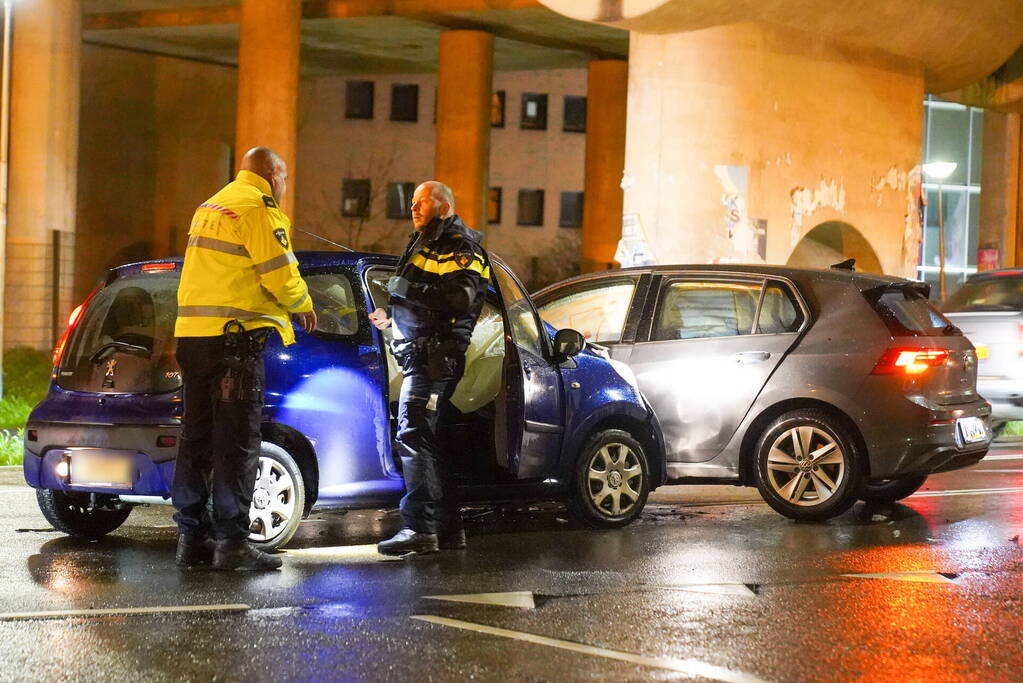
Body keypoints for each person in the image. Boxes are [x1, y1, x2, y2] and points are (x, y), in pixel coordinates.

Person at [172, 146, 316, 571]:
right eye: (285, 178)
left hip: (193, 338)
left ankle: (190, 538)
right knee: (236, 445)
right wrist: (304, 303)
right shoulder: (258, 207)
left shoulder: (210, 206)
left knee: (195, 441)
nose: (285, 186)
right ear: (272, 174)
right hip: (234, 343)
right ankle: (232, 544)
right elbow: (280, 272)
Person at [369, 181, 490, 555]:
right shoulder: (427, 242)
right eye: (413, 203)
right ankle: (448, 530)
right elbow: (424, 301)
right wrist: (392, 319)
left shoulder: (461, 247)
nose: (414, 208)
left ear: (445, 206)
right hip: (421, 356)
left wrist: (407, 290)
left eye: (423, 202)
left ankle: (419, 529)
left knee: (413, 435)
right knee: (429, 442)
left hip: (435, 360)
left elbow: (460, 299)